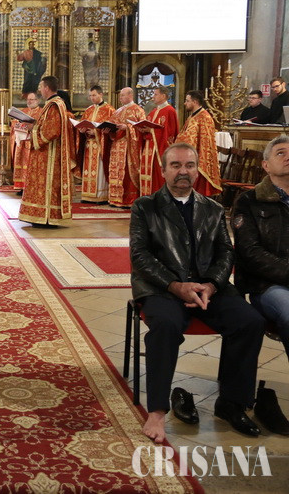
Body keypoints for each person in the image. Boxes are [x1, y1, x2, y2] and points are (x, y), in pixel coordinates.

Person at [130, 142, 265, 444]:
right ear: (163, 170)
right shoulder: (145, 206)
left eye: (190, 165)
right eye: (176, 165)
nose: (183, 171)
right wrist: (176, 286)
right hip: (162, 288)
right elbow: (140, 256)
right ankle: (157, 411)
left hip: (208, 288)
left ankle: (232, 403)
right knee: (165, 325)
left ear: (197, 170)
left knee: (250, 322)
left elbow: (226, 252)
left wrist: (213, 284)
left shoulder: (212, 208)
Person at [231, 135, 289, 435]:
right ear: (265, 165)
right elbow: (250, 253)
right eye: (281, 153)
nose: (288, 157)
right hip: (268, 286)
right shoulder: (250, 201)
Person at [18, 76, 76, 226]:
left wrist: (33, 129)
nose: (39, 90)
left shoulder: (54, 105)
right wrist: (35, 126)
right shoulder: (53, 104)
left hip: (49, 154)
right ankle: (41, 216)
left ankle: (46, 217)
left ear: (47, 88)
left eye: (41, 87)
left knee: (46, 185)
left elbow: (52, 131)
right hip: (45, 153)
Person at [175, 90, 221, 196]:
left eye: (187, 101)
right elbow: (184, 133)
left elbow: (195, 138)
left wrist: (179, 140)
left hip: (200, 157)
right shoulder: (192, 116)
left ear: (195, 102)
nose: (185, 103)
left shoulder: (205, 117)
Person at [108, 87, 145, 207]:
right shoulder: (117, 111)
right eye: (120, 95)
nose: (120, 98)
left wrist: (128, 127)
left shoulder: (138, 110)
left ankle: (129, 198)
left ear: (130, 95)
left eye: (123, 95)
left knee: (127, 173)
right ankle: (115, 198)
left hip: (129, 147)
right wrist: (108, 130)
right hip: (116, 146)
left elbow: (142, 128)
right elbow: (112, 126)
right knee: (115, 171)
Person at [78, 85, 115, 203]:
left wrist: (97, 132)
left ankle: (100, 196)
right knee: (88, 170)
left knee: (99, 171)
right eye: (90, 96)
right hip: (88, 145)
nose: (92, 98)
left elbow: (112, 129)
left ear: (101, 94)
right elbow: (82, 124)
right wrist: (82, 131)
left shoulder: (109, 110)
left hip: (100, 146)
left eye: (94, 95)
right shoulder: (88, 110)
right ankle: (87, 195)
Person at [140, 86, 178, 196]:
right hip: (149, 148)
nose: (153, 97)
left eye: (156, 94)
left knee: (158, 175)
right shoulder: (153, 111)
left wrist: (151, 130)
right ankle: (147, 199)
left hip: (160, 149)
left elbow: (170, 132)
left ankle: (160, 199)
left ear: (163, 96)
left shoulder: (170, 111)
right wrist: (142, 129)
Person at [11, 92, 43, 194]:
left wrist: (32, 126)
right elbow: (14, 124)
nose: (29, 101)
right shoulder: (23, 111)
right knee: (21, 164)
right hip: (22, 144)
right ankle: (21, 187)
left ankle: (31, 187)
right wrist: (18, 124)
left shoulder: (41, 113)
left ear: (37, 100)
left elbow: (42, 126)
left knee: (31, 165)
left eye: (31, 99)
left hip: (33, 143)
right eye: (28, 99)